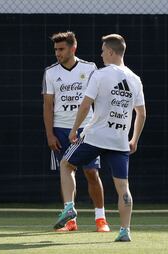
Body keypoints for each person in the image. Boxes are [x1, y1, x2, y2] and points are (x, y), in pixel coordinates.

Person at [53, 34, 146, 242]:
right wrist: (134, 139)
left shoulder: (100, 74)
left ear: (111, 52)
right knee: (123, 187)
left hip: (95, 136)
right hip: (120, 140)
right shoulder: (135, 79)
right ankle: (125, 231)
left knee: (66, 164)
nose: (101, 54)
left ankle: (69, 208)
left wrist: (73, 130)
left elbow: (85, 105)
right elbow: (142, 113)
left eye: (103, 50)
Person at [42, 31, 110, 232]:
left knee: (91, 172)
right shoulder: (51, 72)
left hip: (87, 128)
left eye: (61, 49)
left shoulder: (90, 68)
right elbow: (47, 105)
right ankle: (70, 220)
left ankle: (101, 218)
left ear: (73, 48)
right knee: (67, 170)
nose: (57, 53)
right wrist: (49, 134)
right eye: (55, 49)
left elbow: (101, 99)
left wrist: (99, 125)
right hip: (61, 129)